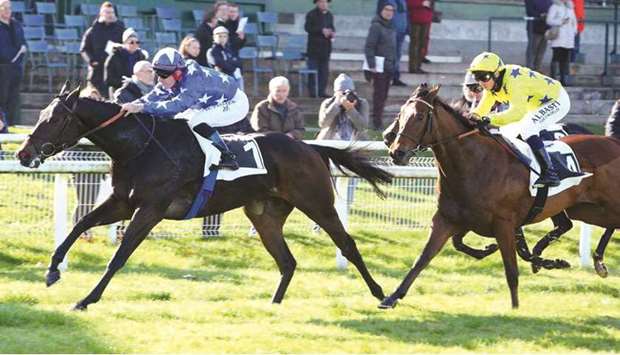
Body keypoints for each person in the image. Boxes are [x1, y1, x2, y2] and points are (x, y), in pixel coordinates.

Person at [121, 48, 250, 171]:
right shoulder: (173, 75)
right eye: (157, 73)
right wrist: (129, 106)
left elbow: (176, 106)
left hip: (235, 103)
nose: (159, 79)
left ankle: (227, 157)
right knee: (179, 121)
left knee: (196, 121)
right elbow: (151, 97)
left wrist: (142, 108)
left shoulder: (193, 82)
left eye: (163, 75)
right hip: (213, 103)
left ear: (177, 73)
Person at [467, 51, 584, 188]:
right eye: (477, 77)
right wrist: (472, 117)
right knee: (506, 132)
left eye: (484, 77)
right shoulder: (491, 85)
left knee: (528, 128)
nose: (481, 82)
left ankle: (550, 174)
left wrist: (489, 119)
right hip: (536, 106)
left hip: (557, 100)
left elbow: (517, 113)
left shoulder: (514, 81)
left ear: (497, 73)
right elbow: (481, 110)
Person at [80, 1, 125, 97]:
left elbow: (126, 45)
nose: (110, 15)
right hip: (97, 72)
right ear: (102, 14)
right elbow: (84, 49)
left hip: (114, 72)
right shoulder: (93, 30)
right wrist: (91, 61)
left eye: (112, 12)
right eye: (107, 12)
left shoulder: (120, 29)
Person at [365, 2, 397, 130]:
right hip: (378, 67)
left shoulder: (392, 26)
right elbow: (369, 46)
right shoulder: (376, 26)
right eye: (386, 9)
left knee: (383, 96)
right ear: (380, 11)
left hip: (389, 66)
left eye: (391, 10)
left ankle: (378, 121)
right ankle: (376, 122)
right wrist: (372, 64)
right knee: (378, 96)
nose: (389, 12)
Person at [0, 0, 25, 130]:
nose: (7, 10)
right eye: (4, 7)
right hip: (2, 67)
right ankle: (2, 125)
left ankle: (10, 123)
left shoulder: (16, 24)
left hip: (16, 67)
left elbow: (22, 43)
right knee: (2, 97)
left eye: (9, 8)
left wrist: (19, 54)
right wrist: (15, 54)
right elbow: (3, 50)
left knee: (13, 96)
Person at [104, 28, 147, 98]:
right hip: (118, 93)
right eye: (132, 42)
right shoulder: (114, 57)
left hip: (138, 93)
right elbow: (108, 80)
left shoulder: (141, 57)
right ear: (124, 43)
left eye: (137, 42)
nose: (135, 44)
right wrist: (126, 82)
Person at [304, 0, 335, 98]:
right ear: (317, 3)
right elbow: (308, 28)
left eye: (325, 2)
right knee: (313, 71)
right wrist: (321, 30)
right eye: (321, 2)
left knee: (324, 72)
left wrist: (332, 32)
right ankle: (312, 92)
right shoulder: (311, 14)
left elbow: (332, 27)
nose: (324, 4)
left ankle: (321, 91)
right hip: (314, 47)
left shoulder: (329, 15)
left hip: (325, 48)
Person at [377, 0, 408, 86]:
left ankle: (395, 77)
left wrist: (407, 27)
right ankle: (383, 77)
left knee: (397, 55)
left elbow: (405, 12)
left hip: (401, 29)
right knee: (387, 54)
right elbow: (381, 13)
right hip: (390, 30)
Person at [547, 0, 577, 86]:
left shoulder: (570, 8)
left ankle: (563, 79)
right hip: (558, 36)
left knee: (565, 59)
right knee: (556, 57)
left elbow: (574, 21)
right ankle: (553, 79)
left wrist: (574, 30)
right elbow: (549, 20)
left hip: (568, 37)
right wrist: (560, 22)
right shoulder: (554, 7)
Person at [525, 0, 552, 71]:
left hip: (545, 28)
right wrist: (540, 15)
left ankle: (537, 70)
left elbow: (552, 8)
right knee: (532, 51)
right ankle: (529, 71)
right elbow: (530, 11)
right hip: (534, 29)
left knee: (541, 53)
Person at [407, 0, 432, 74]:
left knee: (422, 44)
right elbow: (408, 3)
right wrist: (421, 4)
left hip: (426, 18)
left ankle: (418, 66)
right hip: (415, 18)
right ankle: (413, 67)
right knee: (415, 44)